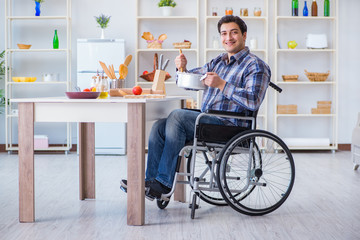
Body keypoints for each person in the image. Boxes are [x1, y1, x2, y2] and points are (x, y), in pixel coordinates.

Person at [120, 15, 271, 200]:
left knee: (177, 116)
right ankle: (151, 182)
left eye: (234, 32)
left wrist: (222, 84)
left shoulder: (256, 66)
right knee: (160, 126)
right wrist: (182, 69)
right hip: (209, 120)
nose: (228, 38)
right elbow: (191, 80)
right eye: (224, 33)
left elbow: (253, 100)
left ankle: (164, 183)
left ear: (244, 35)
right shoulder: (219, 62)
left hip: (232, 127)